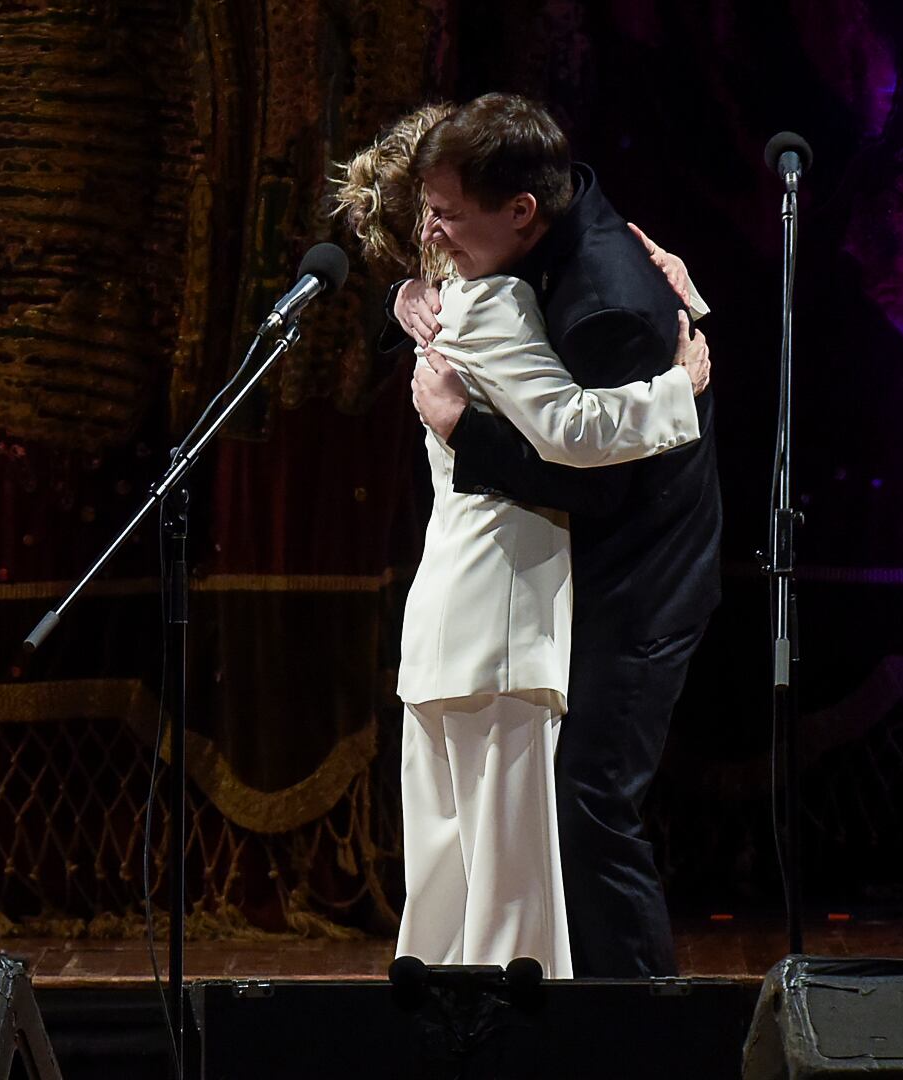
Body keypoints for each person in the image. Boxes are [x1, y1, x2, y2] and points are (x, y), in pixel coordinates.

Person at [335, 106, 712, 977]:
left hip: (442, 627)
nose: (436, 227)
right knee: (510, 899)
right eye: (430, 212)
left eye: (445, 211)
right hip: (500, 629)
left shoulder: (463, 302)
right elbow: (572, 432)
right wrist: (678, 391)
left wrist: (688, 300)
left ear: (517, 213)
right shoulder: (495, 300)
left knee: (443, 887)